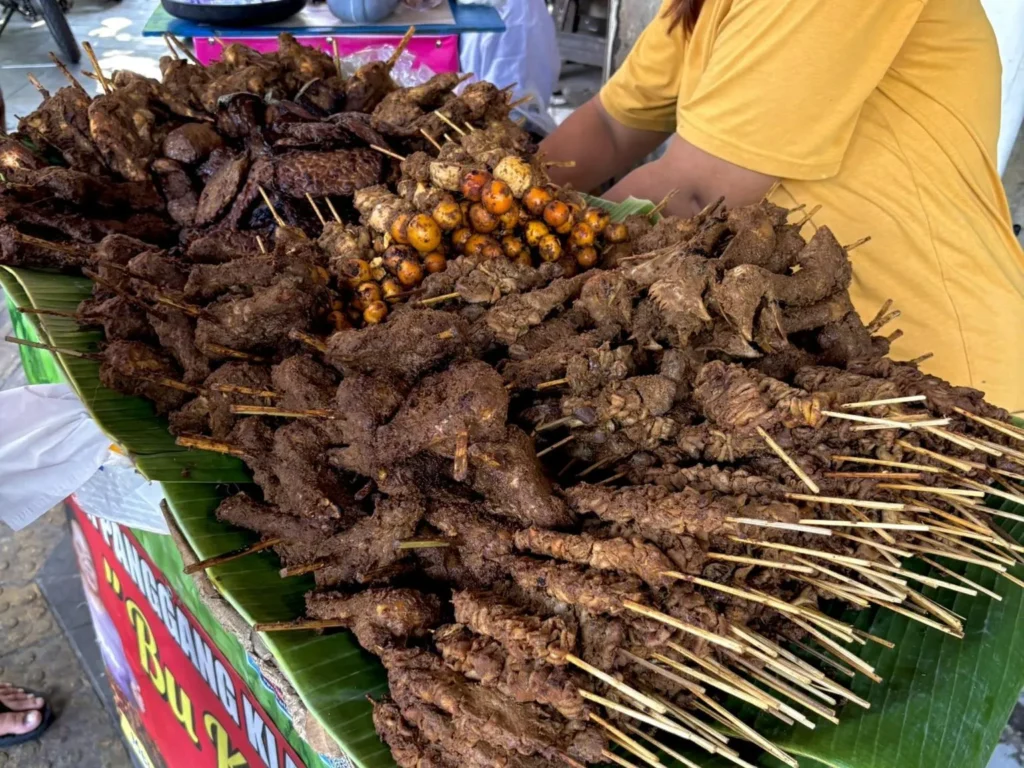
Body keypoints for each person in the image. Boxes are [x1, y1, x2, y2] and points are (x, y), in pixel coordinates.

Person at [541, 0, 1024, 411]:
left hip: (932, 382)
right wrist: (508, 198)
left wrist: (531, 268)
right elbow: (611, 124)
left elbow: (695, 192)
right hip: (788, 368)